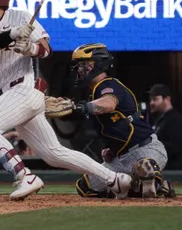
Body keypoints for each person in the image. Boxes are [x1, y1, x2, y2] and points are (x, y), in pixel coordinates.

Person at [0, 0, 132, 201]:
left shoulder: (23, 16)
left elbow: (46, 51)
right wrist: (13, 34)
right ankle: (114, 179)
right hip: (13, 97)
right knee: (53, 154)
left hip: (25, 90)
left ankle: (24, 176)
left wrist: (30, 47)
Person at [65, 43, 175, 199]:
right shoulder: (94, 93)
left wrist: (81, 107)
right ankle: (155, 188)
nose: (79, 69)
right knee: (86, 188)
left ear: (99, 63)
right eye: (79, 65)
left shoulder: (108, 84)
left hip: (145, 150)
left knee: (143, 167)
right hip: (120, 157)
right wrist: (112, 149)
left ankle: (147, 179)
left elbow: (109, 104)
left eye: (84, 64)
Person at [148, 84, 182, 171]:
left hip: (175, 172)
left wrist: (151, 145)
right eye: (151, 99)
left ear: (167, 99)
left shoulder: (176, 120)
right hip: (163, 170)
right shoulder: (160, 120)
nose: (151, 103)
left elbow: (177, 147)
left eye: (155, 99)